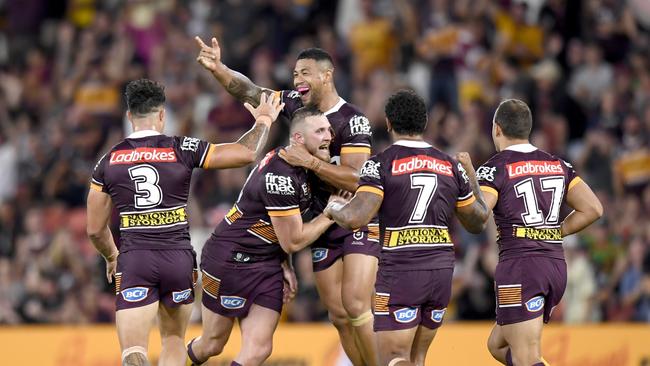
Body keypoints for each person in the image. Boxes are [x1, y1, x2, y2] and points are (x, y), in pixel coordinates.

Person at [194, 36, 378, 366]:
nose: (297, 81)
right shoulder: (295, 107)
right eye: (294, 74)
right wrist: (219, 69)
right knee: (337, 315)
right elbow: (250, 92)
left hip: (352, 216)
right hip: (317, 224)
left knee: (354, 305)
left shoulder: (353, 120)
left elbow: (357, 178)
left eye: (304, 73)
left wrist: (311, 164)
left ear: (327, 75)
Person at [86, 79, 282, 366]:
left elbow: (94, 228)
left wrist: (111, 256)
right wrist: (264, 120)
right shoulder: (182, 147)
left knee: (133, 351)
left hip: (135, 259)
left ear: (129, 116)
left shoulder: (108, 160)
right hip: (177, 259)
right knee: (174, 341)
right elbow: (245, 153)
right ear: (162, 115)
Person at [325, 90, 490, 366]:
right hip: (441, 271)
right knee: (418, 357)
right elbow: (477, 222)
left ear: (388, 123)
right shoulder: (450, 165)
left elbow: (357, 217)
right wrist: (471, 176)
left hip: (402, 271)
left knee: (393, 359)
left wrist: (333, 209)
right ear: (425, 123)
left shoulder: (379, 165)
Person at [186, 107, 338, 366]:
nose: (328, 137)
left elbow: (282, 233)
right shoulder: (279, 176)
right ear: (299, 139)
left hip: (266, 264)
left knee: (259, 349)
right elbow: (294, 239)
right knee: (212, 344)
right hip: (229, 259)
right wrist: (331, 213)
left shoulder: (304, 166)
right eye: (320, 131)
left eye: (329, 130)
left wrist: (284, 263)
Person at [478, 99, 603, 366]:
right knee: (497, 345)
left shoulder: (496, 166)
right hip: (555, 267)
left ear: (497, 129)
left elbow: (479, 214)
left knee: (525, 357)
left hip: (521, 267)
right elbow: (593, 208)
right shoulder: (558, 164)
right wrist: (557, 231)